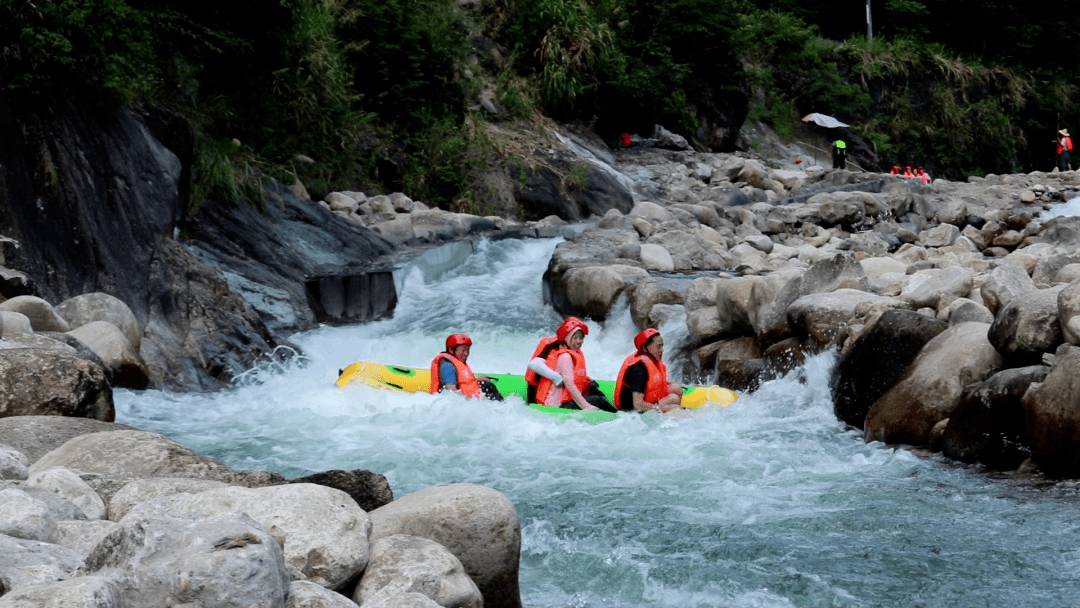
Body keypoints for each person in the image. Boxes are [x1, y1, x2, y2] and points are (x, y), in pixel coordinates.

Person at [534, 318, 615, 412]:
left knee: (594, 390)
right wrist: (586, 406)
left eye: (581, 338)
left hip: (564, 401)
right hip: (558, 405)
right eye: (575, 338)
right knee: (598, 400)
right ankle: (618, 417)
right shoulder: (565, 357)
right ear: (567, 338)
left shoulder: (570, 353)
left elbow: (570, 374)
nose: (579, 341)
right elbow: (570, 385)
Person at [614, 329, 684, 413]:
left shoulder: (652, 360)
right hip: (633, 409)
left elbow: (654, 381)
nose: (662, 350)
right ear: (645, 348)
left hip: (647, 399)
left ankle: (677, 410)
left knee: (676, 389)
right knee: (673, 403)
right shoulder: (639, 370)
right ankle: (675, 414)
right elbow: (638, 405)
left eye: (662, 346)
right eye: (658, 347)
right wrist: (661, 408)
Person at [430, 334, 503, 400]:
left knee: (487, 384)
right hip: (457, 404)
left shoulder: (456, 362)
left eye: (468, 350)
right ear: (451, 350)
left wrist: (477, 380)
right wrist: (479, 401)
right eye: (463, 350)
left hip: (468, 397)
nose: (466, 353)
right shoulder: (448, 367)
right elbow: (451, 394)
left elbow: (461, 382)